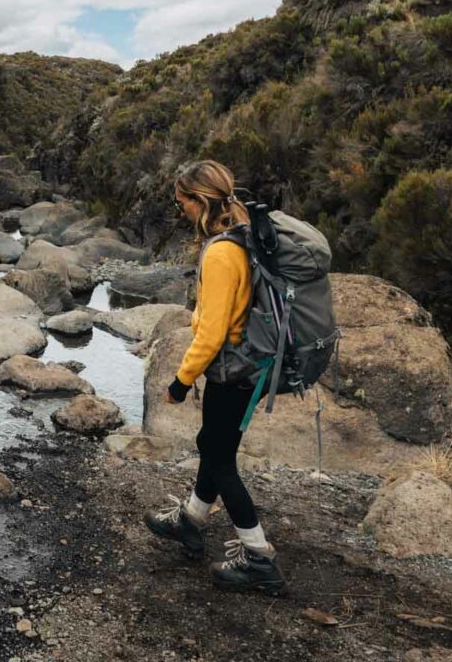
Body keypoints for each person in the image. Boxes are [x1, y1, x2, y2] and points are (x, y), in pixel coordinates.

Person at [143, 160, 285, 595]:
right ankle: (190, 521)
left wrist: (180, 382)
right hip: (247, 366)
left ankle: (259, 559)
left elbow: (213, 331)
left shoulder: (222, 252)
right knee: (214, 445)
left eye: (181, 202)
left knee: (220, 459)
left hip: (233, 368)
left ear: (199, 201)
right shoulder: (242, 234)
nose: (180, 210)